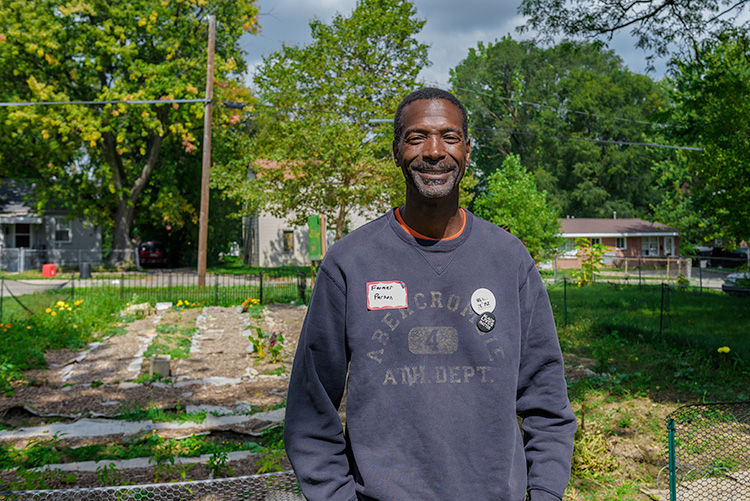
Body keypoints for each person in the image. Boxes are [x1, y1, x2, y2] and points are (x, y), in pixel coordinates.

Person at [284, 87, 576, 501]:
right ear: (396, 151)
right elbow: (310, 410)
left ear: (468, 150)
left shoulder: (508, 259)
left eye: (450, 137)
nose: (435, 151)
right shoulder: (351, 263)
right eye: (417, 137)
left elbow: (547, 401)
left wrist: (545, 492)